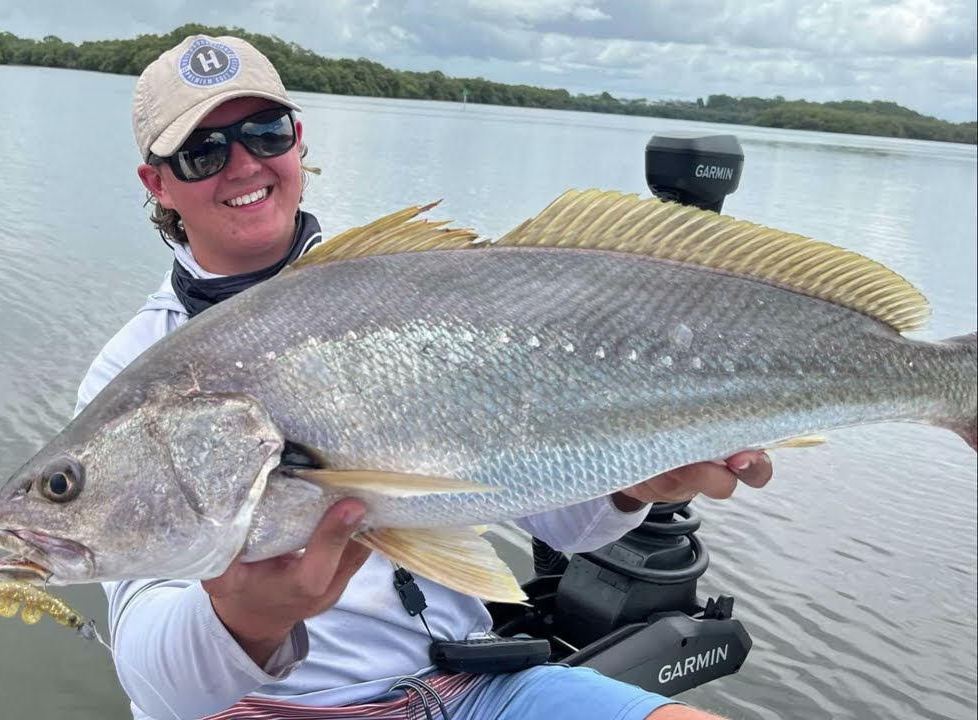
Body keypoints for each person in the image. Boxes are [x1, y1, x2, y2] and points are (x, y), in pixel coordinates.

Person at [73, 33, 773, 720]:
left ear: (298, 141)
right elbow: (158, 682)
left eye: (265, 131)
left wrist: (631, 483)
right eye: (202, 151)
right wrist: (242, 622)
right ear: (156, 182)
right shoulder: (134, 373)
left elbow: (568, 522)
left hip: (471, 687)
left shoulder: (410, 294)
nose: (243, 163)